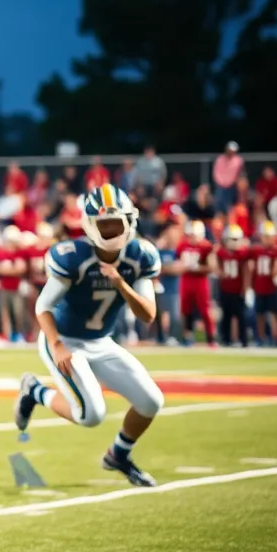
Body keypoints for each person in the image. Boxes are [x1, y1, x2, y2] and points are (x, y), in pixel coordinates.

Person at [14, 185, 163, 487]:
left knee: (151, 402)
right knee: (91, 414)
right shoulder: (73, 256)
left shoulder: (139, 256)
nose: (111, 231)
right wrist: (56, 345)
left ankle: (118, 455)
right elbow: (43, 306)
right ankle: (35, 391)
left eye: (116, 223)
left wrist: (121, 283)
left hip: (101, 342)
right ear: (90, 226)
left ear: (130, 221)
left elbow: (148, 315)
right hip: (65, 339)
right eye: (104, 225)